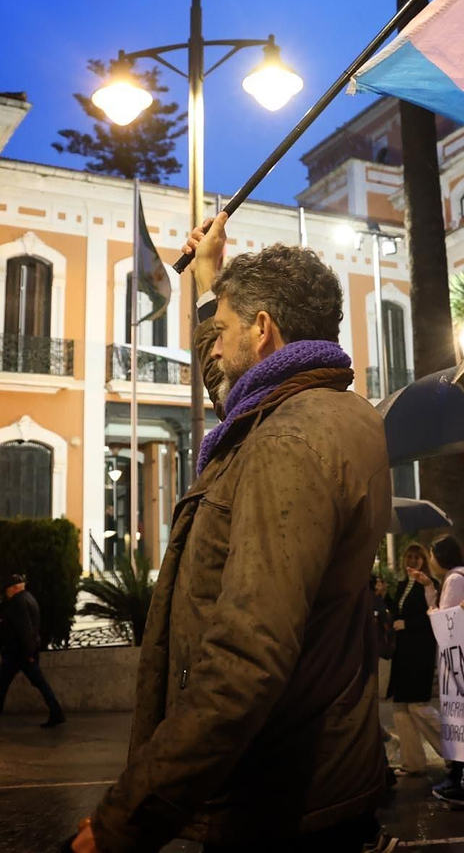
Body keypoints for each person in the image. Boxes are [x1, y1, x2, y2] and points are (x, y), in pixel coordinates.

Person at [76, 214, 394, 853]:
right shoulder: (321, 410)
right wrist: (209, 283)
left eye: (218, 332)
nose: (208, 348)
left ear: (264, 329)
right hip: (312, 788)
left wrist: (124, 823)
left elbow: (248, 656)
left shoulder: (286, 441)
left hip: (277, 802)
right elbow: (229, 386)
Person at [0, 573, 66, 732]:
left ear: (14, 588)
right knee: (40, 684)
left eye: (7, 590)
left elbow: (24, 630)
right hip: (24, 653)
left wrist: (27, 654)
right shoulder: (29, 599)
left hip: (17, 654)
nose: (6, 593)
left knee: (1, 688)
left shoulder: (19, 603)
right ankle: (56, 712)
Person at [427, 535, 464, 808]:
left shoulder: (454, 579)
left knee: (460, 722)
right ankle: (462, 777)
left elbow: (445, 622)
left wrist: (432, 608)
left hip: (458, 664)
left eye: (431, 555)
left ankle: (460, 780)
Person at [389, 543, 444, 778]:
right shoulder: (402, 585)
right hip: (403, 652)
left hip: (420, 651)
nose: (411, 561)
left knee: (419, 707)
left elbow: (432, 616)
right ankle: (412, 762)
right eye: (408, 557)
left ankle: (454, 751)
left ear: (424, 560)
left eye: (416, 557)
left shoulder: (429, 585)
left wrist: (407, 625)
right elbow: (399, 613)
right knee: (401, 709)